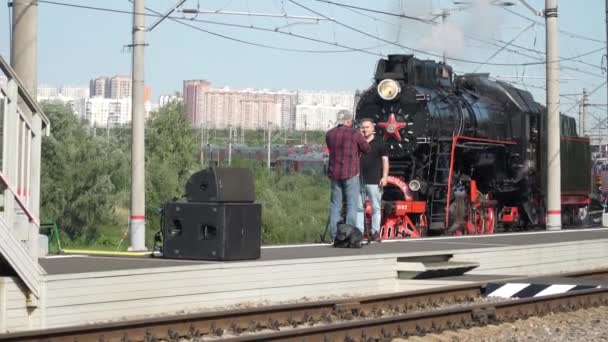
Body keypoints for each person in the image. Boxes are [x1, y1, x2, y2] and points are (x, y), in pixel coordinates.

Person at [326, 113, 371, 241]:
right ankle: (348, 235)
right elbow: (366, 149)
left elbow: (331, 150)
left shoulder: (330, 134)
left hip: (334, 173)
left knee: (335, 205)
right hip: (351, 173)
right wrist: (365, 140)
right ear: (347, 120)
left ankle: (334, 236)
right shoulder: (354, 134)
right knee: (352, 204)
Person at [356, 118, 389, 242]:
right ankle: (359, 231)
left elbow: (385, 161)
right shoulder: (357, 143)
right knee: (359, 207)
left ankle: (375, 232)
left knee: (376, 207)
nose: (365, 129)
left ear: (373, 128)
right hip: (358, 179)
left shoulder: (380, 143)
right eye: (363, 127)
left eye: (367, 127)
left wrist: (385, 176)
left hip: (374, 180)